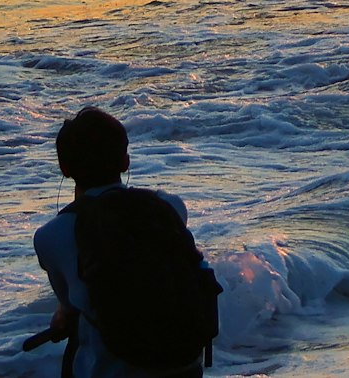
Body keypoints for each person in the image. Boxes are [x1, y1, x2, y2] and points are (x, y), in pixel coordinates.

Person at [22, 108, 219, 378]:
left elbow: (69, 308)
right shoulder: (171, 208)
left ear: (64, 169)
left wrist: (61, 319)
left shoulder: (50, 237)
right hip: (182, 365)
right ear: (125, 161)